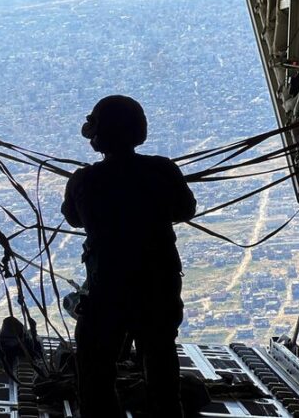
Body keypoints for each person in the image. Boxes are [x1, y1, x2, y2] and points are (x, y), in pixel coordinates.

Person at [61, 95, 196, 418]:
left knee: (95, 369)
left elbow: (73, 218)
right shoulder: (162, 170)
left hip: (108, 288)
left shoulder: (84, 180)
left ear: (98, 135)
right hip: (159, 285)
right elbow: (186, 209)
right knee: (161, 364)